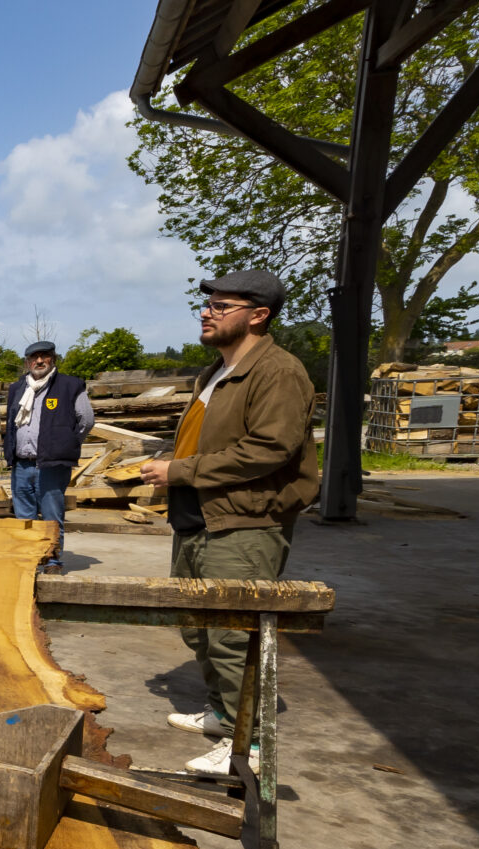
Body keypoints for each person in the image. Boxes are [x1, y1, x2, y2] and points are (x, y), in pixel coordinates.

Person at [140, 269, 319, 775]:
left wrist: (181, 470)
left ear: (258, 315)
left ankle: (254, 745)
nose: (207, 312)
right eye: (208, 304)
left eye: (222, 306)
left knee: (234, 634)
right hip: (199, 519)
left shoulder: (278, 372)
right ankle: (223, 715)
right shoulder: (213, 372)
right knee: (197, 626)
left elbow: (270, 448)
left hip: (244, 523)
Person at [3, 341, 94, 574]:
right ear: (27, 362)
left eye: (44, 356)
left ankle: (53, 562)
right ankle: (31, 562)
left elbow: (86, 420)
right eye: (34, 357)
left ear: (53, 359)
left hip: (51, 465)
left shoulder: (69, 385)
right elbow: (12, 424)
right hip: (21, 464)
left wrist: (67, 443)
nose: (39, 361)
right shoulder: (17, 388)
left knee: (52, 517)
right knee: (25, 519)